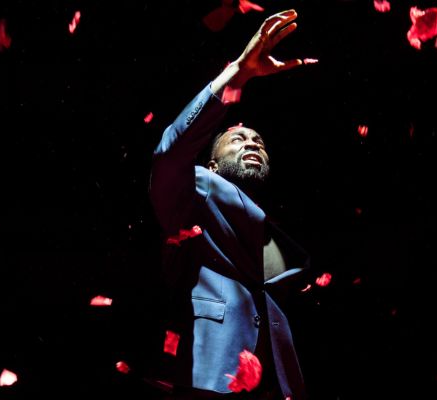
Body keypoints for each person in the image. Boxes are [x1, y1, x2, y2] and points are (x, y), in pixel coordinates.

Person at [149, 9, 313, 400]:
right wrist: (237, 72)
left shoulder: (285, 243)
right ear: (211, 164)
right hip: (212, 376)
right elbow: (169, 156)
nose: (252, 144)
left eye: (258, 142)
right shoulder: (197, 192)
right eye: (238, 141)